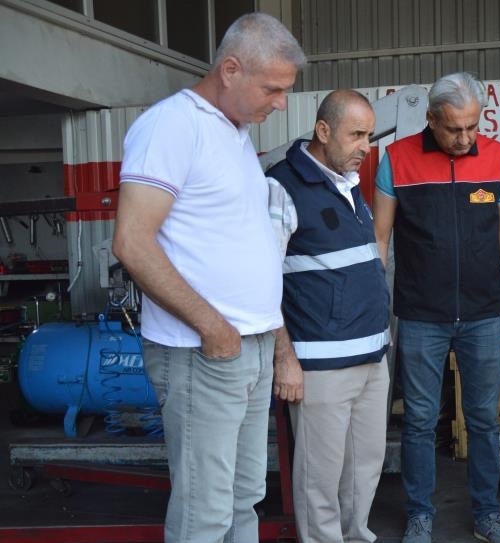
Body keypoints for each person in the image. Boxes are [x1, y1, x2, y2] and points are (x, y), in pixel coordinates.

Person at [111, 13, 305, 543]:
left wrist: (272, 340)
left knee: (245, 497)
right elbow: (131, 242)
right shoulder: (174, 125)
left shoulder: (235, 134)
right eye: (274, 89)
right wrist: (214, 328)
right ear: (231, 69)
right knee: (205, 510)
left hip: (250, 346)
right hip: (206, 351)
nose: (281, 103)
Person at [372, 72, 500, 543]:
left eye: (472, 127)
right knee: (421, 421)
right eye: (453, 129)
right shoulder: (396, 161)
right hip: (421, 315)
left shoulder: (498, 158)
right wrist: (375, 309)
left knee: (483, 420)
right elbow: (379, 241)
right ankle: (420, 515)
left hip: (485, 314)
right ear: (430, 119)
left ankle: (487, 515)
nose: (465, 138)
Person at [265, 90, 390, 543]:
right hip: (319, 364)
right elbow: (262, 281)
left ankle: (357, 536)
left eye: (369, 136)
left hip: (371, 356)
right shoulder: (282, 187)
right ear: (323, 131)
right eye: (356, 134)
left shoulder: (347, 183)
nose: (365, 146)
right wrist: (285, 358)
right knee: (319, 477)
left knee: (363, 469)